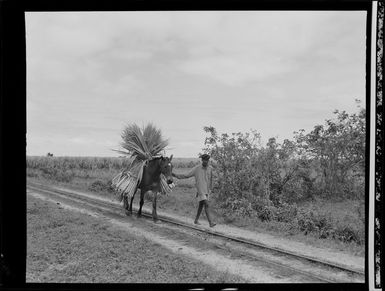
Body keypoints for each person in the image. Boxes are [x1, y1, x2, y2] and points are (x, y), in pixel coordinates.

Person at [172, 154, 216, 227]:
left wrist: (211, 188)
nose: (206, 162)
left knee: (201, 205)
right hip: (200, 190)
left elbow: (211, 179)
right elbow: (186, 175)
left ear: (208, 161)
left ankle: (196, 220)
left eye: (207, 160)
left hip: (207, 191)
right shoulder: (197, 169)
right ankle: (211, 222)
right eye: (204, 160)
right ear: (202, 160)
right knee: (206, 204)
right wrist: (175, 175)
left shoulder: (210, 168)